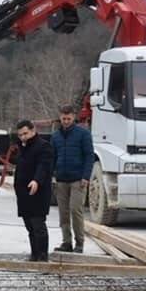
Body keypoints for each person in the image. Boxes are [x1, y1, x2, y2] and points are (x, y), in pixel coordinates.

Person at [51, 105, 94, 253]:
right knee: (63, 212)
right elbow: (53, 157)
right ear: (60, 117)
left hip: (78, 179)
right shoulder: (55, 136)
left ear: (74, 117)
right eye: (63, 118)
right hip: (61, 179)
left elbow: (89, 156)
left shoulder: (83, 134)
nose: (66, 121)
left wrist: (86, 177)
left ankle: (79, 243)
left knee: (76, 210)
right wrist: (52, 174)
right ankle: (66, 242)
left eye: (69, 118)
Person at [14, 119, 53, 261]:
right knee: (30, 226)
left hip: (38, 192)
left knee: (38, 225)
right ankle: (34, 253)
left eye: (25, 133)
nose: (23, 137)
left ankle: (42, 256)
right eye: (20, 135)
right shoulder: (22, 147)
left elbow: (43, 166)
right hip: (23, 193)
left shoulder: (44, 146)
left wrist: (37, 180)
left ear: (33, 131)